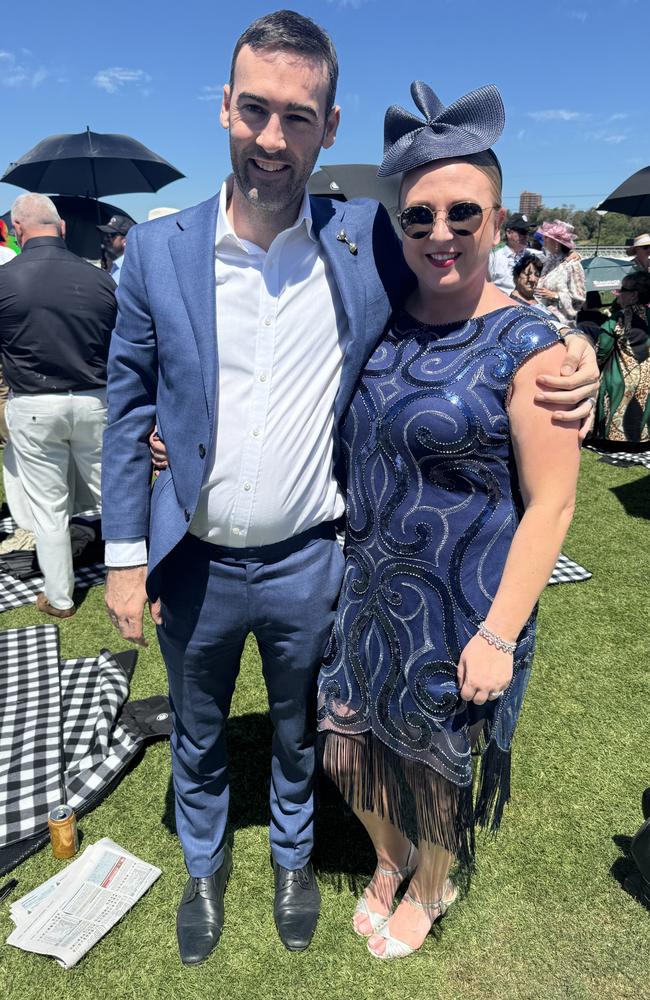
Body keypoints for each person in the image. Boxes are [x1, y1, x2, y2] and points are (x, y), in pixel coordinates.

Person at [101, 10, 599, 967]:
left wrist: (564, 340)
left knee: (302, 732)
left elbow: (462, 289)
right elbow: (128, 412)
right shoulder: (160, 250)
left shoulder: (358, 241)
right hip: (194, 555)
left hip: (308, 559)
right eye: (255, 109)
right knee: (200, 732)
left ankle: (296, 858)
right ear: (226, 109)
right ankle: (205, 866)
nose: (272, 137)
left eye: (299, 115)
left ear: (329, 128)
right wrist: (124, 558)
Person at [317, 81, 581, 961]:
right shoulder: (384, 325)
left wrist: (500, 636)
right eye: (418, 215)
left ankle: (432, 882)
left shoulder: (531, 345)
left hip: (466, 603)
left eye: (462, 212)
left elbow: (553, 503)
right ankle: (388, 858)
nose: (439, 232)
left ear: (498, 218)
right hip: (370, 584)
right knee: (348, 749)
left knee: (433, 767)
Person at [0, 193, 116, 616]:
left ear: (17, 229)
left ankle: (61, 597)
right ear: (62, 228)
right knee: (117, 498)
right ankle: (149, 583)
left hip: (33, 403)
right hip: (95, 400)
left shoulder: (4, 279)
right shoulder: (101, 280)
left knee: (49, 509)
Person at [592, 271, 650, 450]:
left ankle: (614, 438)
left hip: (623, 377)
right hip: (647, 377)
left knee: (612, 381)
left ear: (633, 295)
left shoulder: (620, 318)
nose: (619, 293)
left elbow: (602, 349)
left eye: (623, 289)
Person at [536, 220, 586, 324]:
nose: (543, 240)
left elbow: (580, 298)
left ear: (555, 242)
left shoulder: (572, 264)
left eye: (546, 237)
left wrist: (556, 295)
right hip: (542, 318)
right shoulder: (548, 261)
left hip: (562, 323)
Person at [487, 212, 538, 294]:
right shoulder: (494, 258)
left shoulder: (532, 257)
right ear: (509, 232)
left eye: (527, 232)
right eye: (522, 231)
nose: (526, 236)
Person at [96, 214, 135, 285]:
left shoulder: (130, 271)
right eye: (105, 234)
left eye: (111, 235)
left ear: (125, 240)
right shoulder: (113, 266)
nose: (105, 239)